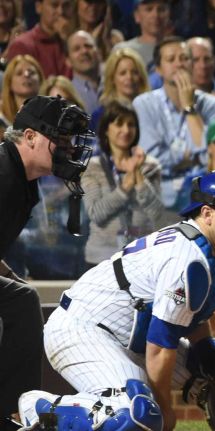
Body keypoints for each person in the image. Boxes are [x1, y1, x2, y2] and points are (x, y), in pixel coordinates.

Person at [16, 169, 215, 431]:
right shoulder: (187, 257)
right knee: (137, 415)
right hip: (83, 330)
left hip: (130, 335)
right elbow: (160, 347)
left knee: (213, 363)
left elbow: (190, 319)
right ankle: (41, 409)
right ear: (207, 214)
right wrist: (164, 411)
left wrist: (209, 359)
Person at [0, 95, 93, 430]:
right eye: (61, 140)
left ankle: (12, 411)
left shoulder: (22, 181)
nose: (69, 149)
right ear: (30, 137)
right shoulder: (4, 174)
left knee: (22, 298)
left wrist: (11, 276)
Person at [133, 36, 215, 210]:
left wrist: (190, 108)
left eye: (184, 58)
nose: (179, 64)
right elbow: (151, 160)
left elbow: (212, 157)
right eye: (171, 59)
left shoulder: (214, 105)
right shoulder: (144, 104)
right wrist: (189, 157)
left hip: (202, 196)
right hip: (157, 198)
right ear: (159, 69)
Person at [81, 100, 163, 267]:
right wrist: (125, 187)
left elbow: (156, 214)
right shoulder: (91, 167)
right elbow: (97, 214)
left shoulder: (150, 166)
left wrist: (137, 175)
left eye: (131, 124)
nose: (126, 130)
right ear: (106, 130)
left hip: (142, 257)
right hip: (101, 259)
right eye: (119, 123)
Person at [2, 0, 72, 77]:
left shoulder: (79, 44)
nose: (61, 11)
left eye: (66, 5)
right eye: (54, 5)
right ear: (38, 7)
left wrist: (69, 41)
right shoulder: (22, 45)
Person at [112, 0, 171, 70]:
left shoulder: (179, 50)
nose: (155, 15)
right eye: (149, 9)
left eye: (161, 9)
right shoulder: (123, 51)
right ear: (137, 16)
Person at [65, 30, 102, 115]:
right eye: (76, 49)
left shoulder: (114, 84)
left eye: (88, 46)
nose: (84, 51)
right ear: (68, 61)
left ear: (98, 52)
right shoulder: (68, 93)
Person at [0, 54, 43, 124]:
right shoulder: (1, 117)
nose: (27, 75)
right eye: (19, 73)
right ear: (9, 83)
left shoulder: (52, 112)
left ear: (40, 80)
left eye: (32, 72)